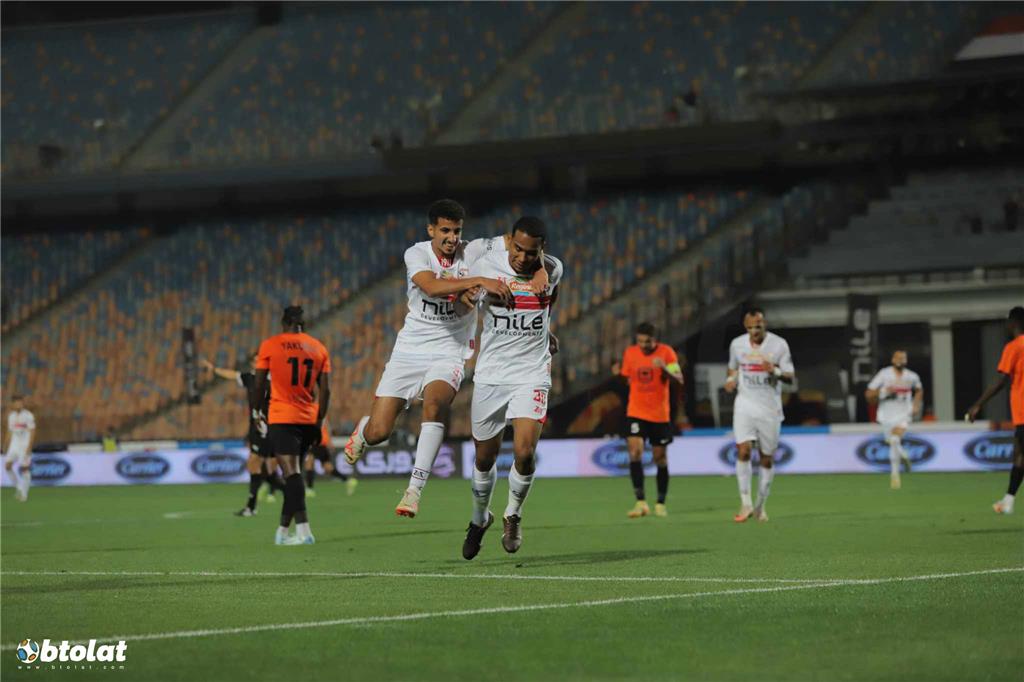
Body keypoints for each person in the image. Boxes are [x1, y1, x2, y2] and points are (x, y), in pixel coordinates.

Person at [343, 199, 518, 519]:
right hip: (410, 350)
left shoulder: (474, 250)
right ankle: (364, 431)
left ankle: (413, 491)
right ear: (431, 230)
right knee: (380, 431)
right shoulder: (417, 253)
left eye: (457, 231)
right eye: (445, 231)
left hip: (450, 350)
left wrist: (540, 266)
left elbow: (515, 240)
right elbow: (431, 286)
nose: (452, 238)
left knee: (435, 404)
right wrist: (478, 281)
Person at [462, 216, 563, 560]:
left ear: (541, 250)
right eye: (517, 249)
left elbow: (549, 301)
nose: (522, 257)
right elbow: (463, 294)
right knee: (484, 458)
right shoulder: (485, 265)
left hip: (531, 373)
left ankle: (513, 514)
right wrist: (475, 289)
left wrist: (545, 330)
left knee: (524, 452)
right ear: (509, 241)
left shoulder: (553, 270)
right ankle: (480, 518)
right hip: (491, 373)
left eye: (531, 252)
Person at [253, 305, 331, 545]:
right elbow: (325, 391)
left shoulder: (270, 345)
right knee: (294, 474)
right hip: (308, 419)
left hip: (282, 417)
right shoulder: (318, 348)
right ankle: (282, 532)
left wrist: (257, 412)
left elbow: (259, 384)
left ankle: (305, 532)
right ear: (302, 324)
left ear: (284, 323)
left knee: (292, 475)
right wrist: (319, 420)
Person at [724, 308, 795, 523]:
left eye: (758, 326)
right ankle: (745, 502)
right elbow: (732, 368)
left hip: (769, 409)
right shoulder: (737, 344)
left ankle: (760, 505)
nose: (754, 331)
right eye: (750, 327)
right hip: (744, 405)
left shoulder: (779, 345)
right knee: (743, 450)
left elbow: (790, 376)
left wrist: (774, 371)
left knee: (766, 458)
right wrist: (731, 380)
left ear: (765, 324)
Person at [612, 322, 684, 518]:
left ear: (655, 340)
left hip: (659, 415)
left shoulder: (666, 353)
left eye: (648, 342)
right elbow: (626, 379)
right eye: (640, 341)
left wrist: (664, 368)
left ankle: (660, 503)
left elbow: (679, 378)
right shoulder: (630, 353)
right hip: (636, 411)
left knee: (660, 457)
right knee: (634, 452)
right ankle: (640, 502)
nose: (644, 345)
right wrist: (618, 374)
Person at [201, 353, 286, 516]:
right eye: (254, 361)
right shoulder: (250, 378)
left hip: (267, 428)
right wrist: (214, 369)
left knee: (256, 463)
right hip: (255, 427)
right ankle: (261, 501)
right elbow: (233, 375)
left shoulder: (274, 380)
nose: (256, 363)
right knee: (255, 465)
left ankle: (263, 501)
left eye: (259, 361)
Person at [966, 306, 1024, 514]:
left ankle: (1008, 501)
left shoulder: (1014, 347)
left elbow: (1001, 380)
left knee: (1020, 454)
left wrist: (978, 403)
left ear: (1013, 323)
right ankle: (1008, 500)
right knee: (1019, 454)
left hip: (1023, 411)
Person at [865, 350, 924, 490]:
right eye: (898, 358)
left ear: (906, 360)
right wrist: (883, 391)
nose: (900, 360)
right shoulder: (884, 374)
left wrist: (916, 405)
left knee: (895, 438)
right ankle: (903, 454)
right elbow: (869, 393)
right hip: (886, 413)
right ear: (892, 359)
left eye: (903, 358)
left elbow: (919, 390)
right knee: (892, 441)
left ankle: (895, 475)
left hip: (904, 412)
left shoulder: (912, 376)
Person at [304, 417, 357, 497]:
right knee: (327, 468)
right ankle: (348, 480)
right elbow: (326, 427)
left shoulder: (314, 414)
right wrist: (329, 441)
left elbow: (323, 427)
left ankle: (309, 489)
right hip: (321, 442)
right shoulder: (320, 415)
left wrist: (329, 441)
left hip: (317, 442)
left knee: (309, 463)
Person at [4, 395, 36, 502]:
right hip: (14, 444)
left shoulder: (28, 415)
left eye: (20, 402)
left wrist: (29, 447)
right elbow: (10, 432)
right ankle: (18, 487)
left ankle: (24, 495)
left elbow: (32, 432)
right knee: (7, 466)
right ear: (13, 404)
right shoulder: (11, 416)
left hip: (24, 445)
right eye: (16, 403)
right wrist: (5, 444)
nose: (19, 404)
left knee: (24, 468)